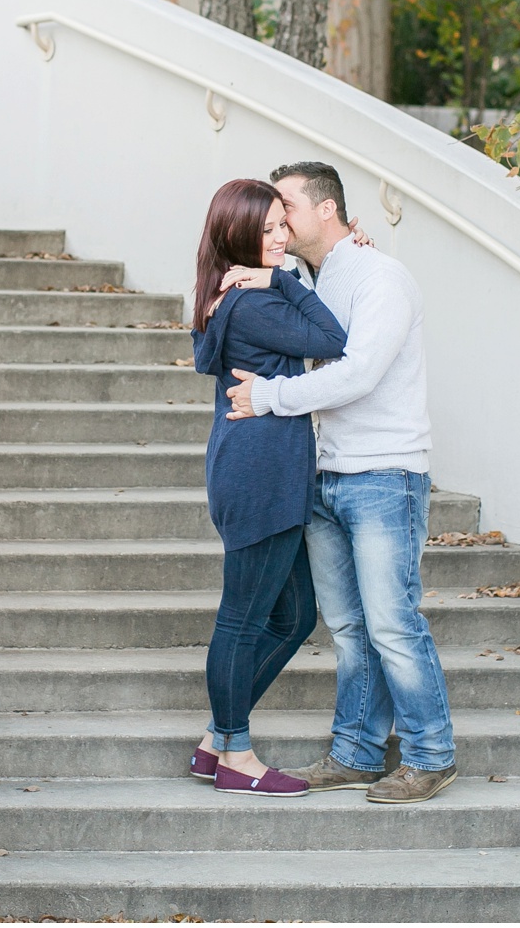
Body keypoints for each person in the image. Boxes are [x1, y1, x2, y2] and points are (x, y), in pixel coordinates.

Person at [218, 161, 457, 805]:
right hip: (322, 476)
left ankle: (431, 755)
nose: (278, 218)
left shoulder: (382, 278)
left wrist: (268, 396)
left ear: (327, 211)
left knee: (392, 624)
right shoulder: (302, 278)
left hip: (384, 475)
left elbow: (357, 374)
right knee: (349, 629)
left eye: (286, 206)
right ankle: (356, 752)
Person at [188, 178, 348, 797]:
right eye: (267, 231)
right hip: (260, 474)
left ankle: (215, 741)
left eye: (284, 225)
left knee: (293, 615)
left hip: (257, 468)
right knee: (243, 620)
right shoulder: (257, 302)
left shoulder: (229, 296)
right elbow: (334, 341)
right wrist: (279, 280)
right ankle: (236, 753)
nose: (280, 239)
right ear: (237, 238)